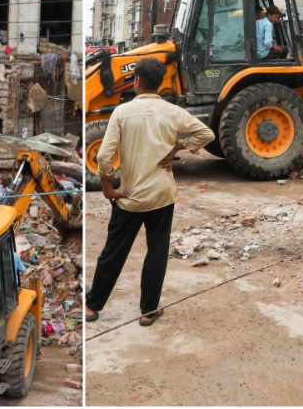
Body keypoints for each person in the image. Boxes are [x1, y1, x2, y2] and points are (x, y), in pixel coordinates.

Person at [87, 58, 215, 327]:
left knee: (113, 252)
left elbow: (104, 156)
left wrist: (108, 188)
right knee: (156, 252)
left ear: (138, 82)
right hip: (161, 195)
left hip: (129, 197)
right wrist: (178, 148)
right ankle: (148, 311)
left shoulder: (122, 113)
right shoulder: (174, 112)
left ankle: (92, 306)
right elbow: (206, 134)